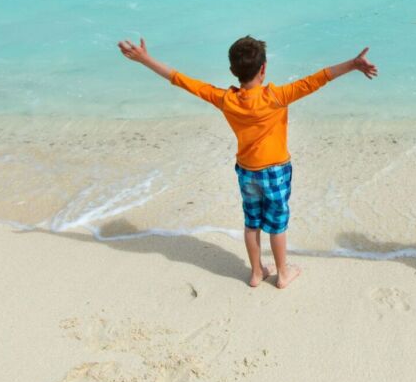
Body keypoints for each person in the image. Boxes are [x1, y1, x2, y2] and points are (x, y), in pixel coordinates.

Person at [118, 35, 377, 288]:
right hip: (276, 171)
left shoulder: (226, 99)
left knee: (252, 223)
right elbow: (319, 78)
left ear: (233, 71)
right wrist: (352, 64)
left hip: (247, 172)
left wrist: (145, 59)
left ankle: (256, 272)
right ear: (263, 68)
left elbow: (181, 80)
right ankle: (282, 274)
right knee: (277, 225)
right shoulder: (278, 96)